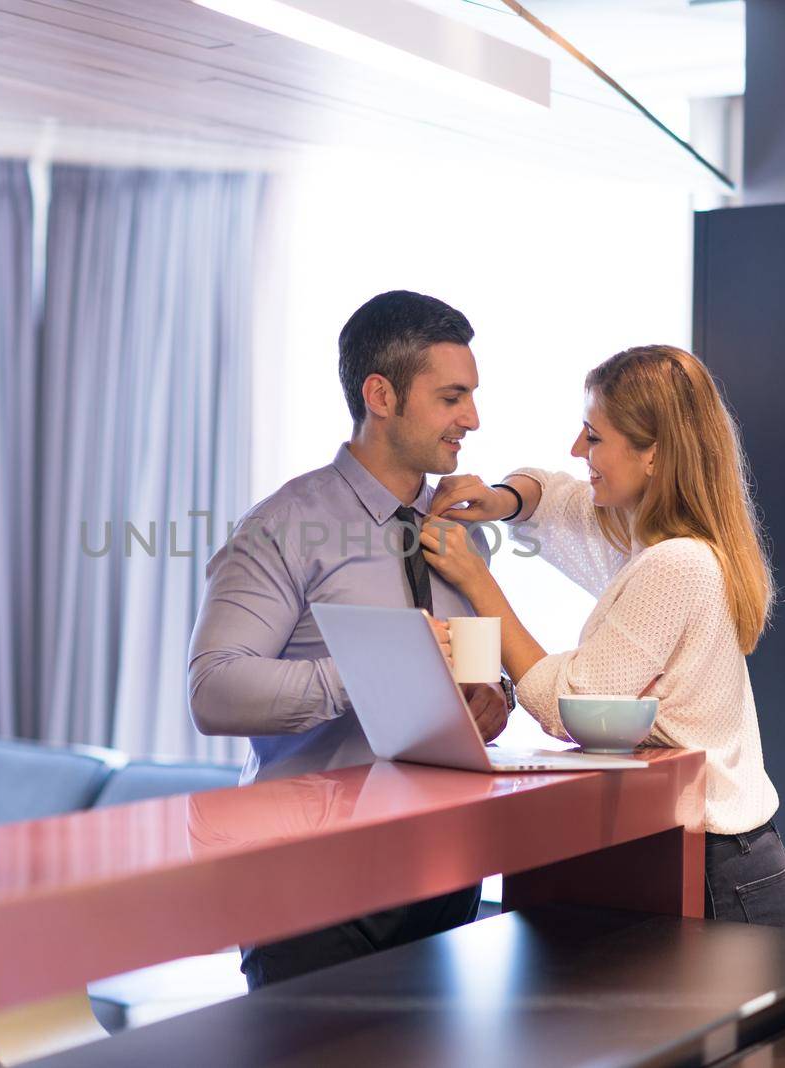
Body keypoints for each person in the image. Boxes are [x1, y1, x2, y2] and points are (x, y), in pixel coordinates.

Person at [419, 344, 785, 929]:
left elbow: (569, 704)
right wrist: (502, 500)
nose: (579, 451)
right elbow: (551, 495)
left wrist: (479, 584)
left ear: (654, 454)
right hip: (730, 859)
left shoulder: (676, 565)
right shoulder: (650, 541)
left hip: (724, 874)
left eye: (594, 437)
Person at [187, 290, 511, 988]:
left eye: (472, 396)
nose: (473, 420)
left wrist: (495, 697)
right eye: (453, 397)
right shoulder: (282, 525)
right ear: (381, 395)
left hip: (444, 881)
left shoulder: (462, 530)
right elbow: (212, 690)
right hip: (311, 891)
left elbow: (479, 671)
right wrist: (377, 672)